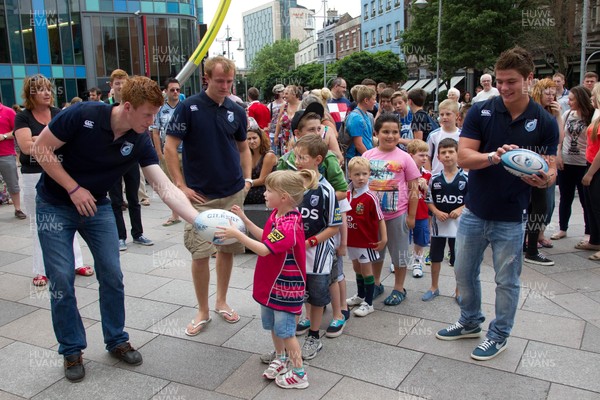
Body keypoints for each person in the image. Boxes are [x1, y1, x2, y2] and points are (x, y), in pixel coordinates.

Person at [32, 75, 205, 382]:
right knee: (60, 277)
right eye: (147, 115)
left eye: (155, 114)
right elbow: (41, 150)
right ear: (127, 107)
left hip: (96, 206)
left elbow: (163, 186)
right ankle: (71, 349)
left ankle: (116, 339)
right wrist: (73, 188)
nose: (152, 122)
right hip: (56, 203)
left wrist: (198, 221)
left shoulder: (139, 139)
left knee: (112, 273)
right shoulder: (83, 114)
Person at [435, 46, 558, 361]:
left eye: (511, 82)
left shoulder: (543, 121)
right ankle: (470, 321)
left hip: (511, 216)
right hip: (475, 210)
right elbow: (463, 156)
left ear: (529, 79)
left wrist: (543, 179)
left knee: (506, 280)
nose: (504, 87)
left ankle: (499, 335)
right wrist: (493, 157)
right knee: (463, 272)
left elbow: (550, 169)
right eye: (500, 80)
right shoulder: (481, 111)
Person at [165, 56, 251, 335]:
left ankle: (221, 301)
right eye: (219, 81)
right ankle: (202, 309)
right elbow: (170, 147)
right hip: (200, 196)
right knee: (200, 253)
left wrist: (247, 179)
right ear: (206, 79)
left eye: (229, 81)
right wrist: (180, 184)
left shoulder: (237, 110)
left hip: (232, 191)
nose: (225, 86)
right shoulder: (189, 107)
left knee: (226, 250)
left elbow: (243, 148)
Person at [216, 170, 315, 389]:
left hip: (287, 287)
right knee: (273, 325)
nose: (264, 194)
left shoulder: (289, 225)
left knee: (287, 332)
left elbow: (263, 250)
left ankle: (299, 373)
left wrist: (237, 235)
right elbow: (266, 237)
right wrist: (244, 220)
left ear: (284, 197)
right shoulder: (277, 215)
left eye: (269, 191)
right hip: (273, 284)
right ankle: (281, 358)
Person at [14, 74, 94, 286]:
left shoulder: (58, 113)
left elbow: (71, 143)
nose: (48, 93)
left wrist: (38, 140)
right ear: (31, 93)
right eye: (41, 89)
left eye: (49, 88)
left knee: (72, 215)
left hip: (61, 172)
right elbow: (26, 148)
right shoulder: (23, 117)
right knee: (39, 223)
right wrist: (50, 142)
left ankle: (77, 262)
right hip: (34, 173)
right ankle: (41, 270)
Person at [292, 135, 342, 360]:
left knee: (318, 294)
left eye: (302, 157)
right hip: (294, 252)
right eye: (296, 156)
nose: (297, 161)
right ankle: (287, 339)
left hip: (318, 252)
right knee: (295, 292)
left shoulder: (327, 191)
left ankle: (314, 336)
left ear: (317, 159)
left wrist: (310, 242)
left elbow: (334, 226)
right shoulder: (291, 185)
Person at [363, 113, 420, 305]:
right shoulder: (367, 156)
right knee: (376, 252)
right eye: (385, 132)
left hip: (398, 215)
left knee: (400, 253)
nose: (391, 136)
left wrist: (411, 216)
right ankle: (377, 283)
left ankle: (399, 287)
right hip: (374, 217)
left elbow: (414, 188)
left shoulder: (405, 158)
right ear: (376, 133)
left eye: (395, 132)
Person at [424, 138, 466, 302]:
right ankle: (434, 287)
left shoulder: (465, 178)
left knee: (458, 259)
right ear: (439, 157)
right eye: (443, 152)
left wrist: (459, 209)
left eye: (451, 152)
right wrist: (436, 211)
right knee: (435, 257)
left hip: (458, 227)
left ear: (457, 154)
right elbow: (428, 199)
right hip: (438, 226)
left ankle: (459, 290)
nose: (447, 155)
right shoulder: (434, 179)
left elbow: (471, 200)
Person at [526, 78, 563, 262]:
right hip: (529, 163)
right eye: (547, 93)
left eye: (553, 93)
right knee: (530, 205)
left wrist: (558, 116)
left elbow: (559, 139)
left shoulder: (550, 115)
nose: (551, 96)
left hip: (545, 165)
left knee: (541, 206)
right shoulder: (531, 111)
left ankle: (532, 246)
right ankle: (528, 245)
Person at [551, 86, 594, 241]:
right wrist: (559, 155)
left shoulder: (593, 116)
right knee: (565, 197)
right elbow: (561, 137)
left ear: (581, 99)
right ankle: (563, 228)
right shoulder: (568, 114)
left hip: (584, 163)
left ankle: (589, 232)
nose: (568, 102)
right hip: (567, 162)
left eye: (572, 99)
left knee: (585, 200)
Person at [345, 157, 387, 316]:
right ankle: (360, 295)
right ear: (350, 175)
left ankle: (369, 303)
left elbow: (380, 218)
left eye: (364, 174)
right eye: (356, 174)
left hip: (365, 241)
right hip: (352, 240)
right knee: (356, 268)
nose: (361, 177)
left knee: (366, 270)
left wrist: (384, 238)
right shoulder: (347, 194)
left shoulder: (371, 197)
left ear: (369, 174)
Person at [151, 77, 182, 226]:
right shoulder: (160, 109)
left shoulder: (186, 107)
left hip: (186, 152)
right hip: (169, 153)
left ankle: (192, 212)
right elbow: (155, 132)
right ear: (166, 91)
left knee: (189, 183)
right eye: (172, 90)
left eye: (178, 89)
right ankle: (175, 214)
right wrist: (159, 153)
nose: (175, 92)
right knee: (170, 185)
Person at [405, 139, 432, 278]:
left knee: (420, 239)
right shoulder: (403, 172)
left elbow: (432, 197)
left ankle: (417, 261)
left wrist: (426, 187)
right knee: (403, 238)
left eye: (426, 155)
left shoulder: (427, 174)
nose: (424, 158)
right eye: (421, 155)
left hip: (421, 213)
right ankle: (398, 261)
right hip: (404, 211)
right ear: (410, 155)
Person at [583, 83, 600, 261]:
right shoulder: (597, 115)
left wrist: (590, 173)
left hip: (596, 168)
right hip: (591, 164)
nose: (591, 99)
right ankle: (595, 240)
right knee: (591, 206)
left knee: (598, 207)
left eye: (593, 95)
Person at [0, 96, 25, 219]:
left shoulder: (8, 111)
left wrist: (4, 136)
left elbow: (17, 130)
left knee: (12, 182)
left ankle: (18, 208)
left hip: (6, 154)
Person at [426, 99, 461, 175]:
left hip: (458, 177)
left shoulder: (462, 135)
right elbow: (427, 157)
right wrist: (429, 175)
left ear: (457, 115)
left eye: (448, 114)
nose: (444, 117)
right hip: (437, 176)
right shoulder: (433, 135)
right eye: (442, 114)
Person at [244, 127, 277, 204]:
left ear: (261, 139)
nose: (252, 141)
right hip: (249, 187)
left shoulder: (269, 155)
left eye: (254, 138)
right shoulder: (247, 155)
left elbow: (262, 180)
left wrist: (245, 184)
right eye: (249, 139)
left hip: (265, 190)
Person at [345, 85, 376, 162]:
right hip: (358, 159)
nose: (375, 102)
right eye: (373, 99)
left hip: (363, 156)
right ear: (366, 100)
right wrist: (369, 159)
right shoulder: (356, 118)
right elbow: (358, 144)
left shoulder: (366, 115)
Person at [274, 85, 302, 155]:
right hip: (285, 140)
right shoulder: (284, 106)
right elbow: (278, 122)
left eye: (286, 94)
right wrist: (276, 136)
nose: (284, 96)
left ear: (294, 94)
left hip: (298, 139)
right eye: (284, 94)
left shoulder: (302, 105)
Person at [267, 84, 285, 153]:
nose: (283, 93)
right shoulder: (270, 105)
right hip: (272, 132)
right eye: (281, 91)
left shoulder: (286, 104)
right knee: (274, 153)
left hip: (283, 132)